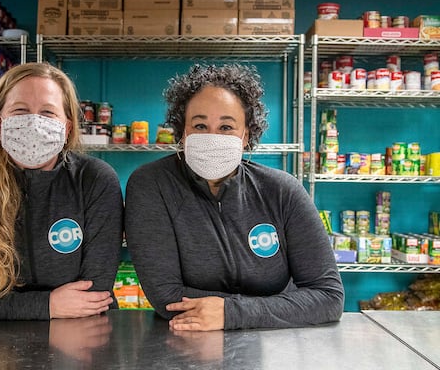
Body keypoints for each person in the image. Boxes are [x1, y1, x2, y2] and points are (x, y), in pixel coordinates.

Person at [124, 63, 344, 331]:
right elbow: (167, 298)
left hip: (275, 349)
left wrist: (232, 312)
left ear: (246, 135)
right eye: (200, 125)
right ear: (182, 132)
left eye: (226, 127)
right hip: (187, 341)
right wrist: (280, 306)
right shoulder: (151, 185)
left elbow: (328, 297)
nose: (212, 136)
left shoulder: (282, 191)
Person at [0, 62, 123, 321]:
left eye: (48, 113)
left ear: (67, 128)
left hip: (81, 338)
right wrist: (48, 305)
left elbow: (93, 295)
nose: (34, 123)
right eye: (20, 111)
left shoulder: (95, 180)